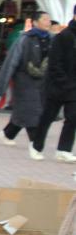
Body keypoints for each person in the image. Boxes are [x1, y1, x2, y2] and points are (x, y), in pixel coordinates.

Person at [0, 10, 51, 157]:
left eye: (49, 19)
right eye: (45, 19)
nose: (48, 22)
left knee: (25, 112)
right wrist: (1, 86)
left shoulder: (51, 39)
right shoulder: (25, 39)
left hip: (42, 82)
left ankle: (8, 133)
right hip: (24, 80)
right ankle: (35, 146)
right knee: (33, 113)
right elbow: (11, 62)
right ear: (35, 22)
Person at [28, 14, 76, 162]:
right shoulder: (63, 36)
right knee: (47, 117)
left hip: (73, 87)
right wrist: (64, 81)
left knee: (73, 118)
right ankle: (36, 146)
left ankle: (63, 149)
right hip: (57, 86)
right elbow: (54, 62)